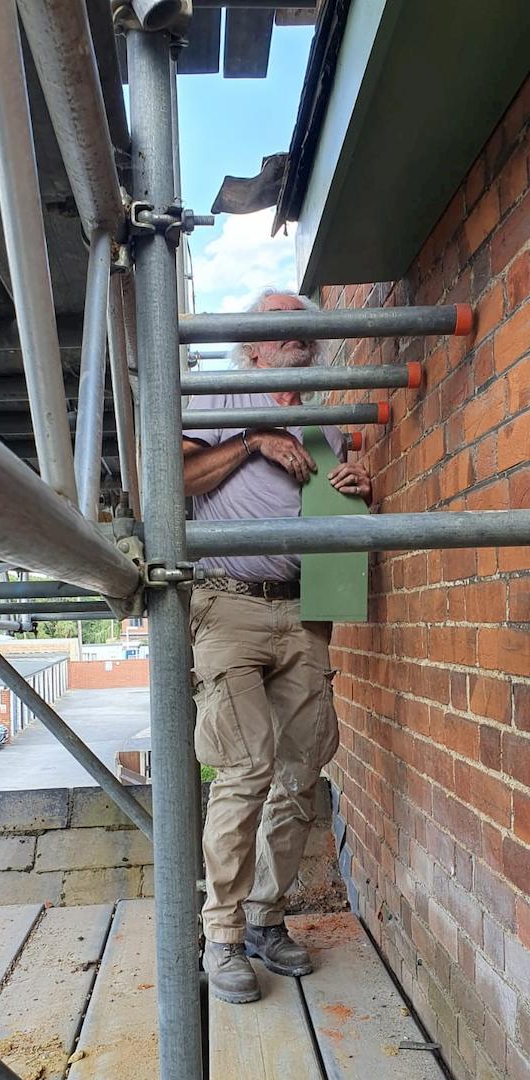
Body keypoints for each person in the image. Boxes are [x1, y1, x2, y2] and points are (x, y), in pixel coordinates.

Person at [184, 289, 372, 1004]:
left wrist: (358, 488)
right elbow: (180, 482)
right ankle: (223, 934)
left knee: (300, 771)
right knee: (244, 766)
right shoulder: (216, 396)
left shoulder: (328, 424)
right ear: (255, 346)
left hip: (306, 614)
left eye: (306, 324)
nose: (300, 333)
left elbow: (336, 508)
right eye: (283, 324)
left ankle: (265, 918)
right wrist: (254, 440)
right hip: (228, 604)